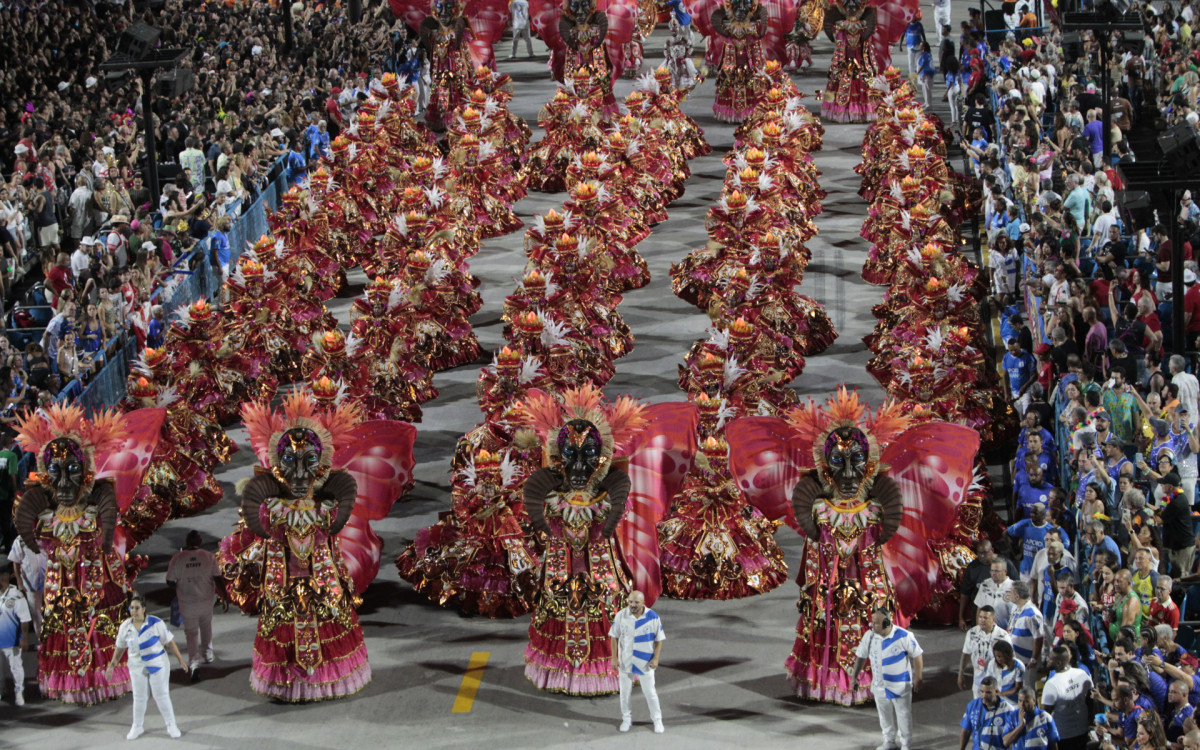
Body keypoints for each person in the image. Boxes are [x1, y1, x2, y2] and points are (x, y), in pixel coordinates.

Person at [104, 595, 186, 740]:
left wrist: (180, 660)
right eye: (131, 608)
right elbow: (119, 649)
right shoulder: (125, 627)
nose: (134, 611)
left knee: (161, 695)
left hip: (158, 664)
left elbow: (170, 643)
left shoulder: (156, 623)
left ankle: (171, 725)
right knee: (139, 697)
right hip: (136, 666)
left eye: (137, 608)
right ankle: (137, 726)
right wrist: (111, 666)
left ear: (143, 609)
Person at [852, 608, 924, 750]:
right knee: (884, 716)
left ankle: (906, 744)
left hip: (900, 686)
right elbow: (861, 656)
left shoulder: (904, 636)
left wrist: (918, 676)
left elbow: (917, 655)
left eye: (875, 623)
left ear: (886, 623)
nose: (872, 626)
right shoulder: (870, 636)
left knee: (903, 716)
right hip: (879, 686)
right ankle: (889, 741)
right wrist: (855, 677)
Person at [166, 531, 223, 677]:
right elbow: (218, 579)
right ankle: (208, 654)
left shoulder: (177, 559)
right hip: (205, 601)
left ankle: (194, 663)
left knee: (191, 633)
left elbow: (169, 581)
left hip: (187, 603)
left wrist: (182, 586)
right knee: (206, 626)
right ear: (200, 541)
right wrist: (226, 596)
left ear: (186, 541)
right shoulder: (209, 557)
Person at [609, 590, 666, 734]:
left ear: (643, 603)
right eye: (630, 602)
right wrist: (614, 657)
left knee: (650, 692)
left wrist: (656, 658)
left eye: (636, 602)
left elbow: (659, 640)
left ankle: (657, 720)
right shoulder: (621, 615)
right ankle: (626, 719)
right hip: (625, 661)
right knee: (625, 693)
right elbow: (614, 637)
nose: (633, 605)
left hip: (645, 662)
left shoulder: (653, 617)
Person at [1041, 645, 1093, 750]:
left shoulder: (1051, 684)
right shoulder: (1082, 674)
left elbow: (1045, 715)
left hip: (1063, 735)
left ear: (1058, 663)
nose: (1047, 659)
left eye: (1050, 658)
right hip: (1082, 730)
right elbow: (1091, 700)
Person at [960, 605, 1012, 696]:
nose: (982, 620)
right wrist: (961, 673)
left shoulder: (1003, 636)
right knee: (979, 707)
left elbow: (1010, 658)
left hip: (996, 682)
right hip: (978, 681)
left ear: (993, 620)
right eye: (980, 617)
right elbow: (966, 654)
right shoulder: (972, 633)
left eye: (985, 617)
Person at [0, 565, 31, 706]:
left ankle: (19, 692)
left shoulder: (16, 595)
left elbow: (24, 619)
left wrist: (24, 639)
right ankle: (1, 690)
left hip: (11, 640)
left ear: (5, 577)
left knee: (16, 668)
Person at [959, 676, 1015, 750]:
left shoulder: (1008, 710)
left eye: (988, 692)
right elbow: (966, 731)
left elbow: (1012, 738)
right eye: (982, 691)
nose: (984, 696)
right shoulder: (972, 706)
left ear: (996, 692)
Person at [6, 536, 44, 642]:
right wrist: (19, 581)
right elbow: (16, 561)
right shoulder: (20, 540)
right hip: (31, 583)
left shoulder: (48, 536)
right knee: (36, 613)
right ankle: (42, 640)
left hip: (50, 582)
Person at [1004, 686, 1060, 750]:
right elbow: (1006, 742)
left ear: (1034, 701)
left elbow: (1053, 744)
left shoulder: (1046, 717)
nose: (1022, 705)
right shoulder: (1012, 716)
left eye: (1026, 701)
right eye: (1020, 701)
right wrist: (1021, 726)